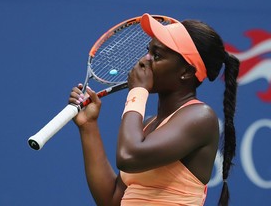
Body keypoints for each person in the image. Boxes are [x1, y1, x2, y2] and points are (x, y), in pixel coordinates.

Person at [69, 13, 239, 206]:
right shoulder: (148, 125)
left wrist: (138, 91)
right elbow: (112, 200)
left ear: (186, 72)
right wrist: (88, 126)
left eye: (156, 56)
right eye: (147, 50)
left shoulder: (200, 117)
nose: (143, 60)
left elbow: (128, 156)